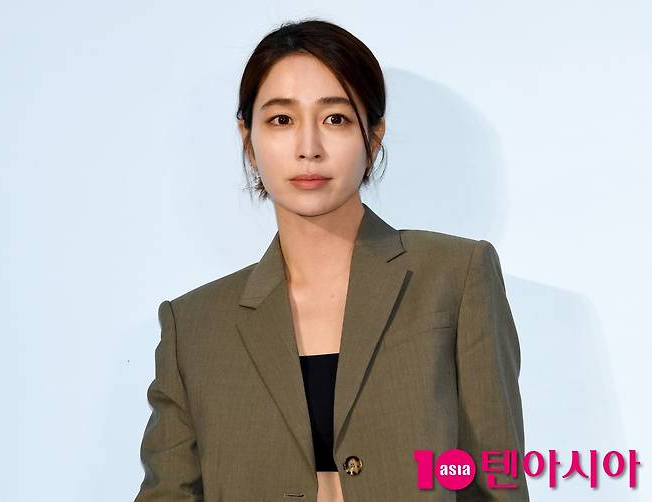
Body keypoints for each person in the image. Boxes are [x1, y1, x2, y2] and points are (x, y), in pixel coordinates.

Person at [135, 19, 529, 502]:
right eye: (282, 120)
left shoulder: (456, 276)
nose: (309, 149)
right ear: (248, 139)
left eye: (335, 119)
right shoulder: (194, 326)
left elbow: (497, 485)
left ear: (374, 136)